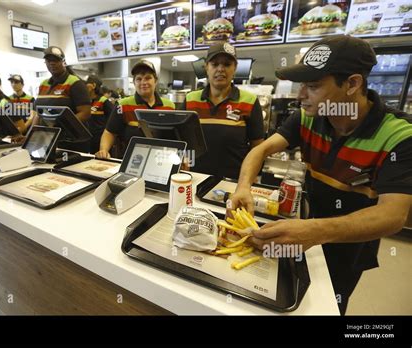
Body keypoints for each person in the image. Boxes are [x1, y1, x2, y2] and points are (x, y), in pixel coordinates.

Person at [228, 35, 412, 315]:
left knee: (325, 307)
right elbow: (260, 150)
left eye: (313, 86)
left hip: (348, 246)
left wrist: (315, 231)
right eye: (303, 85)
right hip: (303, 231)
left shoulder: (399, 135)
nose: (301, 96)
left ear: (352, 84)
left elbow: (393, 215)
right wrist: (244, 186)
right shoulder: (307, 117)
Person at [183, 43, 264, 179]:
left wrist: (248, 179)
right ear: (206, 68)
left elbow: (257, 147)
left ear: (235, 68)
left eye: (227, 64)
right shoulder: (190, 100)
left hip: (233, 181)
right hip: (194, 178)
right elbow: (180, 139)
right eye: (215, 64)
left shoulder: (249, 101)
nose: (220, 69)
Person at [96, 60, 175, 159]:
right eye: (139, 79)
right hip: (132, 160)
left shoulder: (169, 106)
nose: (143, 82)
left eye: (148, 78)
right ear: (134, 82)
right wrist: (104, 150)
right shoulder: (123, 105)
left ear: (155, 80)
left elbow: (175, 137)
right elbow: (110, 132)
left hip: (161, 159)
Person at [33, 46, 91, 152]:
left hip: (71, 141)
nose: (52, 63)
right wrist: (31, 136)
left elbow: (85, 113)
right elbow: (38, 114)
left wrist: (62, 127)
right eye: (48, 60)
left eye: (55, 60)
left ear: (63, 62)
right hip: (48, 139)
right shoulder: (43, 84)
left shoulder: (75, 83)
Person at [86, 76, 114, 153]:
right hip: (89, 138)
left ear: (93, 85)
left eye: (86, 83)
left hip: (101, 139)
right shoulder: (86, 101)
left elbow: (112, 119)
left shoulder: (103, 101)